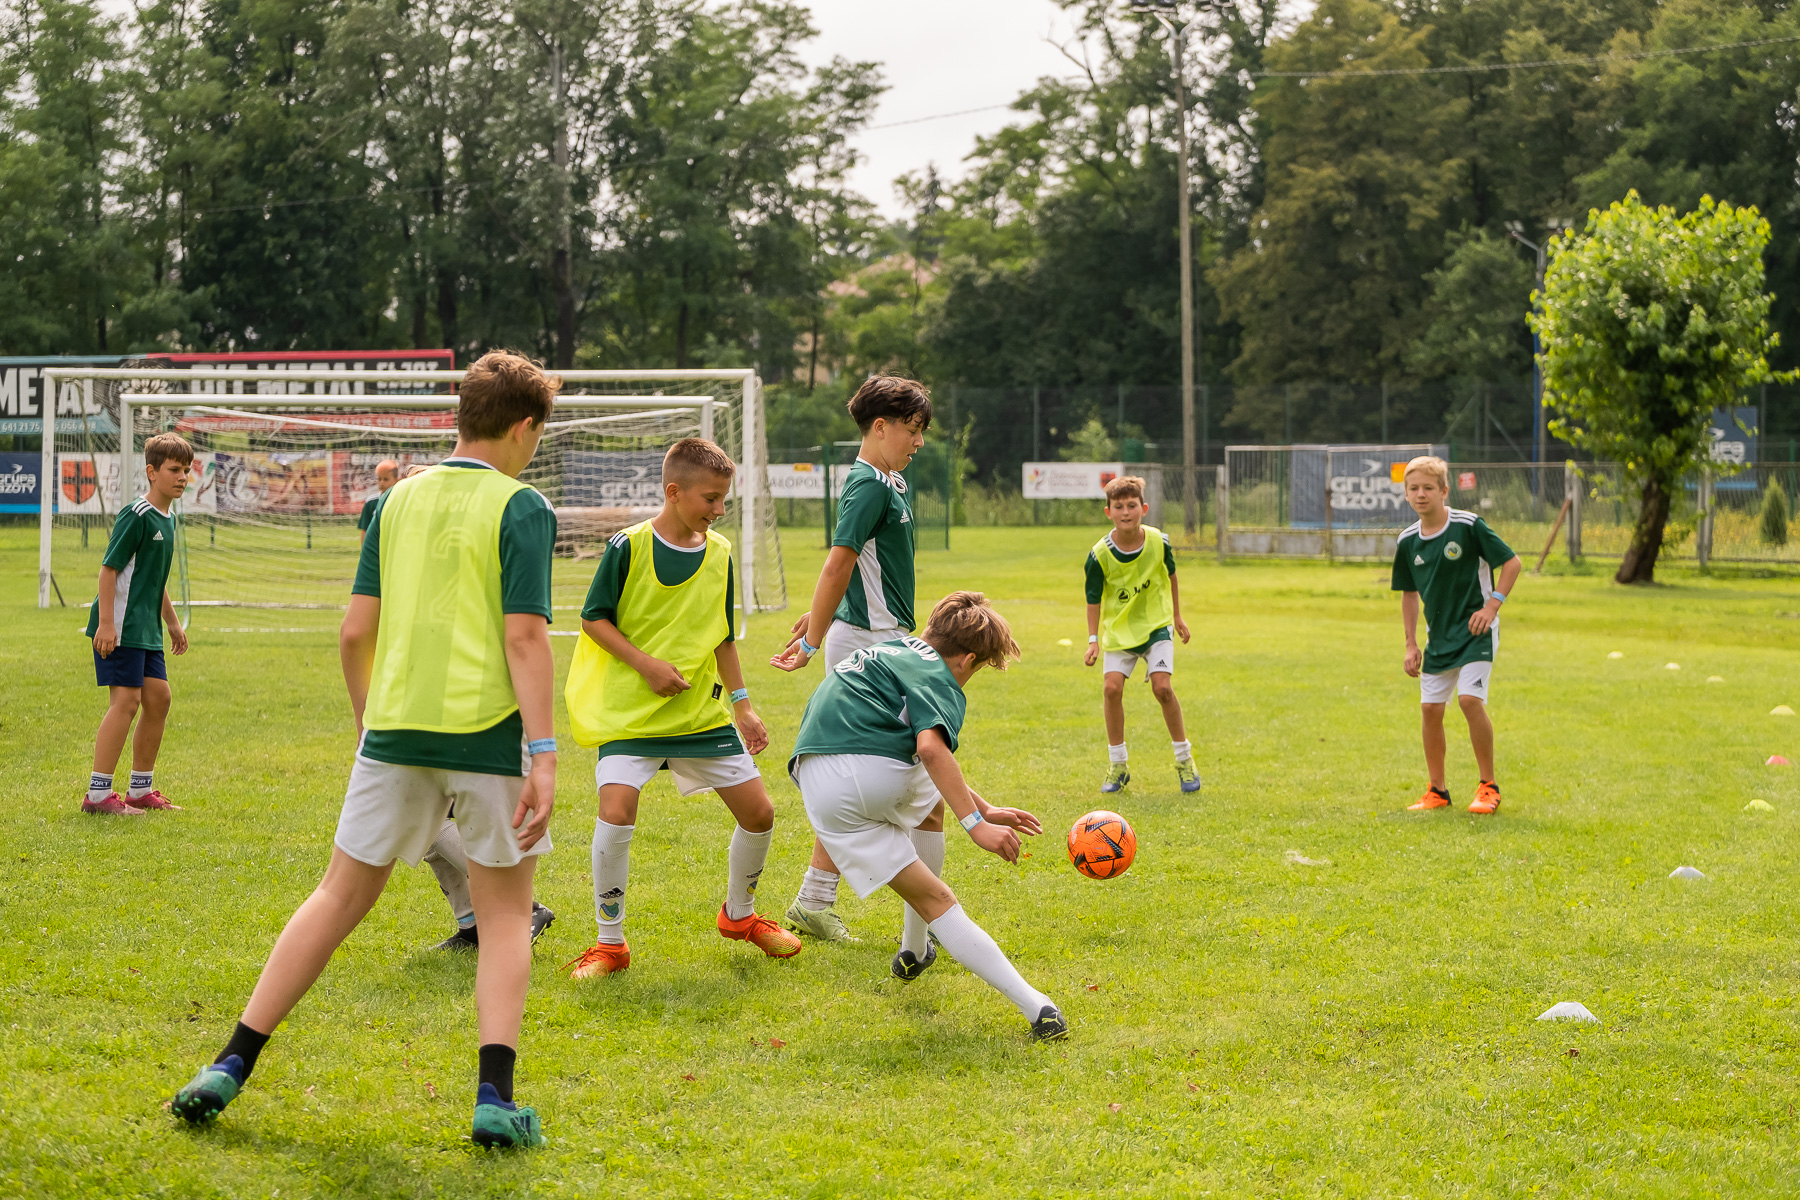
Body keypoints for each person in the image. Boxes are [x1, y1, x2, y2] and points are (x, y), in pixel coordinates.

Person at [170, 351, 563, 1149]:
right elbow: (525, 637)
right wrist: (547, 753)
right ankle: (495, 1098)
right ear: (524, 427)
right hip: (487, 737)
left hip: (393, 731)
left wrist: (366, 717)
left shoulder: (394, 501)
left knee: (337, 897)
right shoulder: (522, 506)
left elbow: (354, 631)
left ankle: (228, 1062)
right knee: (506, 915)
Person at [562, 437, 801, 979]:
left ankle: (739, 916)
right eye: (710, 500)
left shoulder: (720, 554)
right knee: (617, 810)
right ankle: (609, 945)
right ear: (674, 492)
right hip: (630, 714)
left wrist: (743, 706)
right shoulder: (627, 547)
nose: (718, 512)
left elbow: (721, 638)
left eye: (724, 502)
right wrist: (646, 665)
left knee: (760, 812)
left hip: (699, 716)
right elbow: (593, 619)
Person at [789, 591, 1066, 1038]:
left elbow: (918, 764)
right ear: (967, 658)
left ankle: (914, 951)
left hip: (820, 782)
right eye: (977, 670)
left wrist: (986, 808)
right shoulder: (941, 676)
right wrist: (976, 826)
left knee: (930, 811)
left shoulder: (889, 649)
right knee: (939, 900)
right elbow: (930, 749)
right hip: (871, 775)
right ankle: (1039, 1007)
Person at [770, 376, 931, 943]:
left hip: (879, 636)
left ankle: (816, 899)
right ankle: (928, 917)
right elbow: (839, 563)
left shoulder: (893, 481)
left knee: (888, 772)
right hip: (867, 644)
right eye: (911, 431)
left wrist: (824, 618)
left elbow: (861, 570)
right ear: (879, 427)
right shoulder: (867, 485)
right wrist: (815, 638)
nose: (918, 442)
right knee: (895, 772)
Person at [1392, 455, 1521, 815]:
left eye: (1428, 488)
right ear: (1406, 494)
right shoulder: (1407, 541)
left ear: (1444, 491)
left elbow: (1512, 563)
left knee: (1468, 701)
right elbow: (1408, 593)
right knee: (1431, 710)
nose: (1421, 494)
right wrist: (1410, 644)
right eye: (1413, 488)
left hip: (1476, 631)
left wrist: (1492, 606)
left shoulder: (1468, 525)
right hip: (1439, 638)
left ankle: (1488, 786)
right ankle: (1437, 790)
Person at [81, 432, 194, 815]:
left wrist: (173, 623)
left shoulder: (169, 519)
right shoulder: (137, 515)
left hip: (146, 629)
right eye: (174, 469)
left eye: (187, 470)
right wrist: (107, 624)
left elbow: (153, 578)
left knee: (159, 699)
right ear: (152, 471)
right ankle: (97, 795)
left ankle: (140, 790)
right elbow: (109, 570)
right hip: (121, 627)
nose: (182, 477)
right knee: (126, 702)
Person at [1083, 475, 1198, 795]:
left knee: (1162, 688)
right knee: (1110, 688)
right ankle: (1118, 765)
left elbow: (1171, 576)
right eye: (1118, 506)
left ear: (1143, 508)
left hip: (1156, 626)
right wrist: (1093, 640)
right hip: (1120, 632)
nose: (1125, 512)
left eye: (1131, 505)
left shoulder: (1159, 541)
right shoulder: (1099, 554)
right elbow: (1093, 599)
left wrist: (1176, 616)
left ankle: (1184, 759)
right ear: (1108, 512)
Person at [357, 459, 399, 543]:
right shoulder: (371, 502)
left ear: (396, 480)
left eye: (386, 479)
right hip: (376, 547)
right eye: (379, 479)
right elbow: (365, 530)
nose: (382, 482)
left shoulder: (400, 501)